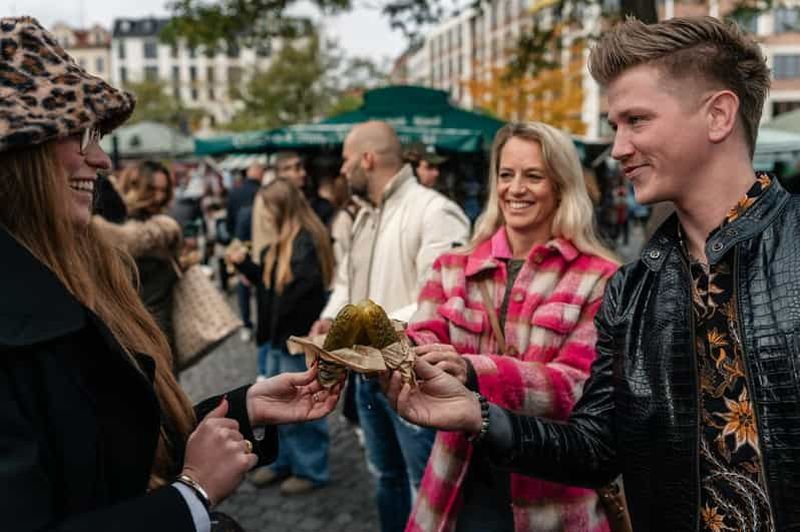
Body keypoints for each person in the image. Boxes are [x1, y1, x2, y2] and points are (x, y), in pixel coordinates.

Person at [383, 16, 800, 532]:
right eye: (614, 125)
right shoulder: (633, 289)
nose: (618, 147)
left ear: (718, 115)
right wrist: (477, 414)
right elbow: (596, 448)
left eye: (637, 121)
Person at [0, 17, 341, 532]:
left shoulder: (74, 273)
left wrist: (242, 409)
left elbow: (109, 451)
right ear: (19, 150)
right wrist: (191, 497)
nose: (101, 159)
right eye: (81, 133)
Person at [404, 122, 618, 531]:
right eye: (506, 174)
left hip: (552, 498)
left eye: (533, 176)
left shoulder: (601, 278)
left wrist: (471, 370)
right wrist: (397, 345)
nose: (515, 189)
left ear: (561, 185)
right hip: (459, 485)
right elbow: (426, 334)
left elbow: (578, 387)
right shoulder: (453, 266)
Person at [309, 121, 471, 532]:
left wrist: (363, 330)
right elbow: (347, 281)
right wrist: (331, 315)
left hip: (414, 378)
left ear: (366, 159)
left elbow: (442, 299)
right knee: (385, 476)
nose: (342, 170)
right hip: (366, 377)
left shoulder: (434, 212)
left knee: (426, 485)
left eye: (346, 159)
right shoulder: (363, 217)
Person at [227, 179, 336, 495]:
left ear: (279, 208)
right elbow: (270, 287)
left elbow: (298, 293)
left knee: (303, 408)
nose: (262, 215)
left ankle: (311, 469)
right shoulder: (283, 241)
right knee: (279, 409)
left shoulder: (305, 241)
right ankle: (284, 461)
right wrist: (247, 266)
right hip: (279, 338)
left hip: (295, 340)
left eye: (266, 208)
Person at [275, 151, 335, 226]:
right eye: (297, 169)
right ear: (281, 173)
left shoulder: (321, 207)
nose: (303, 173)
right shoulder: (272, 206)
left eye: (303, 167)